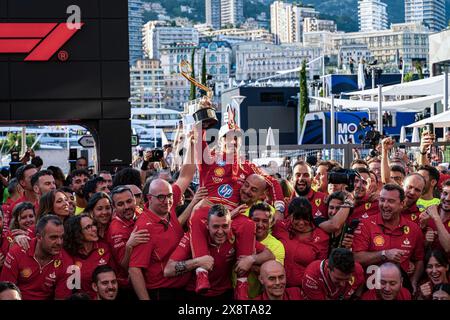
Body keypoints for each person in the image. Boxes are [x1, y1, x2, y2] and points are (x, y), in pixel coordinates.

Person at [164, 204, 274, 300]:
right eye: (216, 226)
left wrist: (251, 259)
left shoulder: (236, 235)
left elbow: (269, 255)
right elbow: (168, 270)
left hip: (224, 292)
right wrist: (197, 262)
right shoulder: (192, 237)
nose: (220, 232)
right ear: (207, 225)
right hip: (194, 292)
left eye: (225, 226)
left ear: (230, 224)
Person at [128, 152, 196, 301]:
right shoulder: (145, 227)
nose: (167, 201)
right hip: (162, 293)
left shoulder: (167, 206)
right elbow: (134, 269)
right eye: (161, 197)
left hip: (181, 288)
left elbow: (185, 176)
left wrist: (194, 142)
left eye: (170, 196)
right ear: (149, 199)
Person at [352, 184, 425, 291]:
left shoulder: (414, 229)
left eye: (390, 201)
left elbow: (419, 259)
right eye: (382, 200)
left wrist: (414, 280)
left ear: (402, 204)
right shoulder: (365, 224)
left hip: (401, 293)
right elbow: (356, 258)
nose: (384, 205)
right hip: (370, 293)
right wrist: (384, 254)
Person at [0, 215, 72, 300]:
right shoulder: (17, 252)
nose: (59, 242)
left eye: (61, 237)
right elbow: (5, 291)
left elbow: (61, 298)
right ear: (39, 237)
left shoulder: (67, 262)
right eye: (53, 237)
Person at [272, 197, 329, 287]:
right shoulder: (280, 227)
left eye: (305, 218)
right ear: (289, 215)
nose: (301, 223)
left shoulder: (322, 237)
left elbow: (319, 270)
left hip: (303, 289)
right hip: (276, 284)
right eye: (297, 218)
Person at [106, 185, 149, 299]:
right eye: (120, 204)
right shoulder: (115, 230)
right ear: (114, 207)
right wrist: (129, 246)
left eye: (129, 201)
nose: (126, 207)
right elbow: (124, 266)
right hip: (129, 288)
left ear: (135, 200)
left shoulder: (140, 213)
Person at [63, 214, 112, 299]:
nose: (94, 229)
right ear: (77, 233)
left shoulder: (105, 247)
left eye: (93, 225)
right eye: (88, 227)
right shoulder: (69, 255)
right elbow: (68, 288)